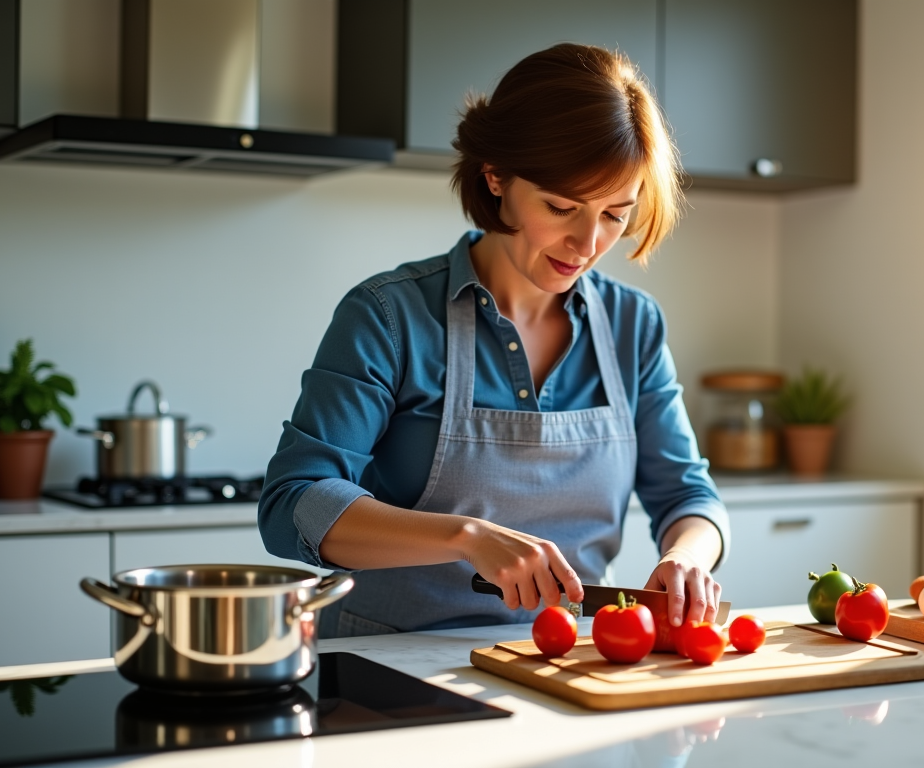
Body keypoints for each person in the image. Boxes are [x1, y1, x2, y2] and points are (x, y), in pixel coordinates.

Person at [259, 43, 729, 638]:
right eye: (562, 206)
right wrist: (465, 537)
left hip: (565, 662)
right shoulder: (389, 315)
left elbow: (689, 495)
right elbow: (292, 504)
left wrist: (686, 556)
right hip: (388, 666)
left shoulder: (633, 325)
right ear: (496, 176)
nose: (587, 244)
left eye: (615, 214)